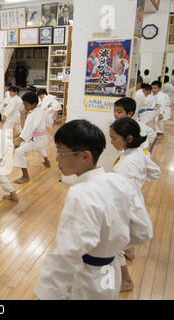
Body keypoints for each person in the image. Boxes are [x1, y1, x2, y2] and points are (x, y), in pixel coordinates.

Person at [34, 119, 153, 300]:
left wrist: (45, 294)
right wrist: (110, 244)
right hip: (111, 272)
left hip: (86, 280)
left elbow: (67, 256)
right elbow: (143, 231)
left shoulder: (81, 194)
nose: (57, 158)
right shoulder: (118, 181)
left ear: (85, 156)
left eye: (60, 152)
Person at [109, 117, 160, 292]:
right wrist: (139, 181)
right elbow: (155, 173)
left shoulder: (127, 164)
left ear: (128, 138)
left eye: (114, 138)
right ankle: (129, 250)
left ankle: (126, 281)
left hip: (129, 208)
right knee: (120, 239)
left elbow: (122, 196)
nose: (111, 142)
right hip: (134, 201)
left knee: (111, 245)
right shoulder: (137, 152)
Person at [13, 92, 50, 184]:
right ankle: (47, 161)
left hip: (36, 139)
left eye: (26, 105)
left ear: (33, 104)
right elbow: (49, 121)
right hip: (42, 138)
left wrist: (20, 140)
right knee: (40, 148)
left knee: (19, 152)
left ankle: (25, 177)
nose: (25, 107)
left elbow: (29, 128)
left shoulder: (32, 115)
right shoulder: (41, 111)